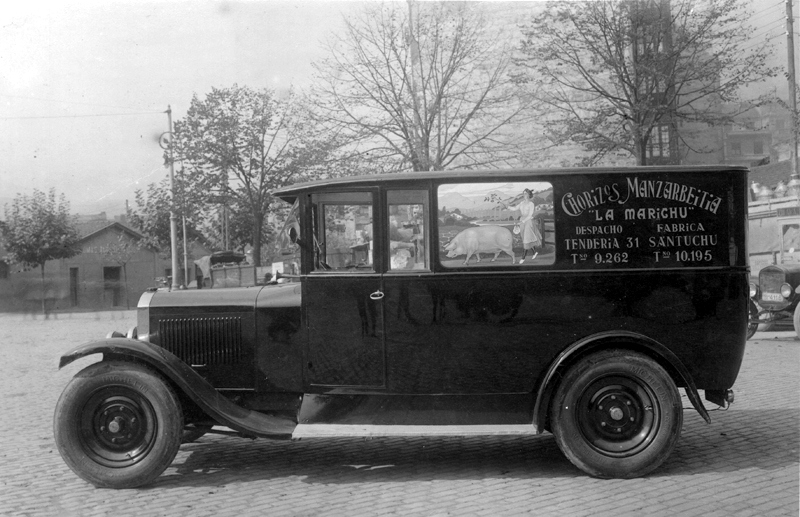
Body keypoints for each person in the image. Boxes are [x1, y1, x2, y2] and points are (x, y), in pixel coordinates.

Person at [508, 188, 542, 263]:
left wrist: (523, 221)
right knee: (526, 239)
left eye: (525, 193)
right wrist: (509, 207)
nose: (524, 195)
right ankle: (534, 252)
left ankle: (523, 257)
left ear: (529, 195)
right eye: (523, 193)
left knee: (526, 239)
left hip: (528, 222)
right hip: (522, 221)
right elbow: (515, 208)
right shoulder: (522, 203)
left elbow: (530, 215)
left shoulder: (531, 204)